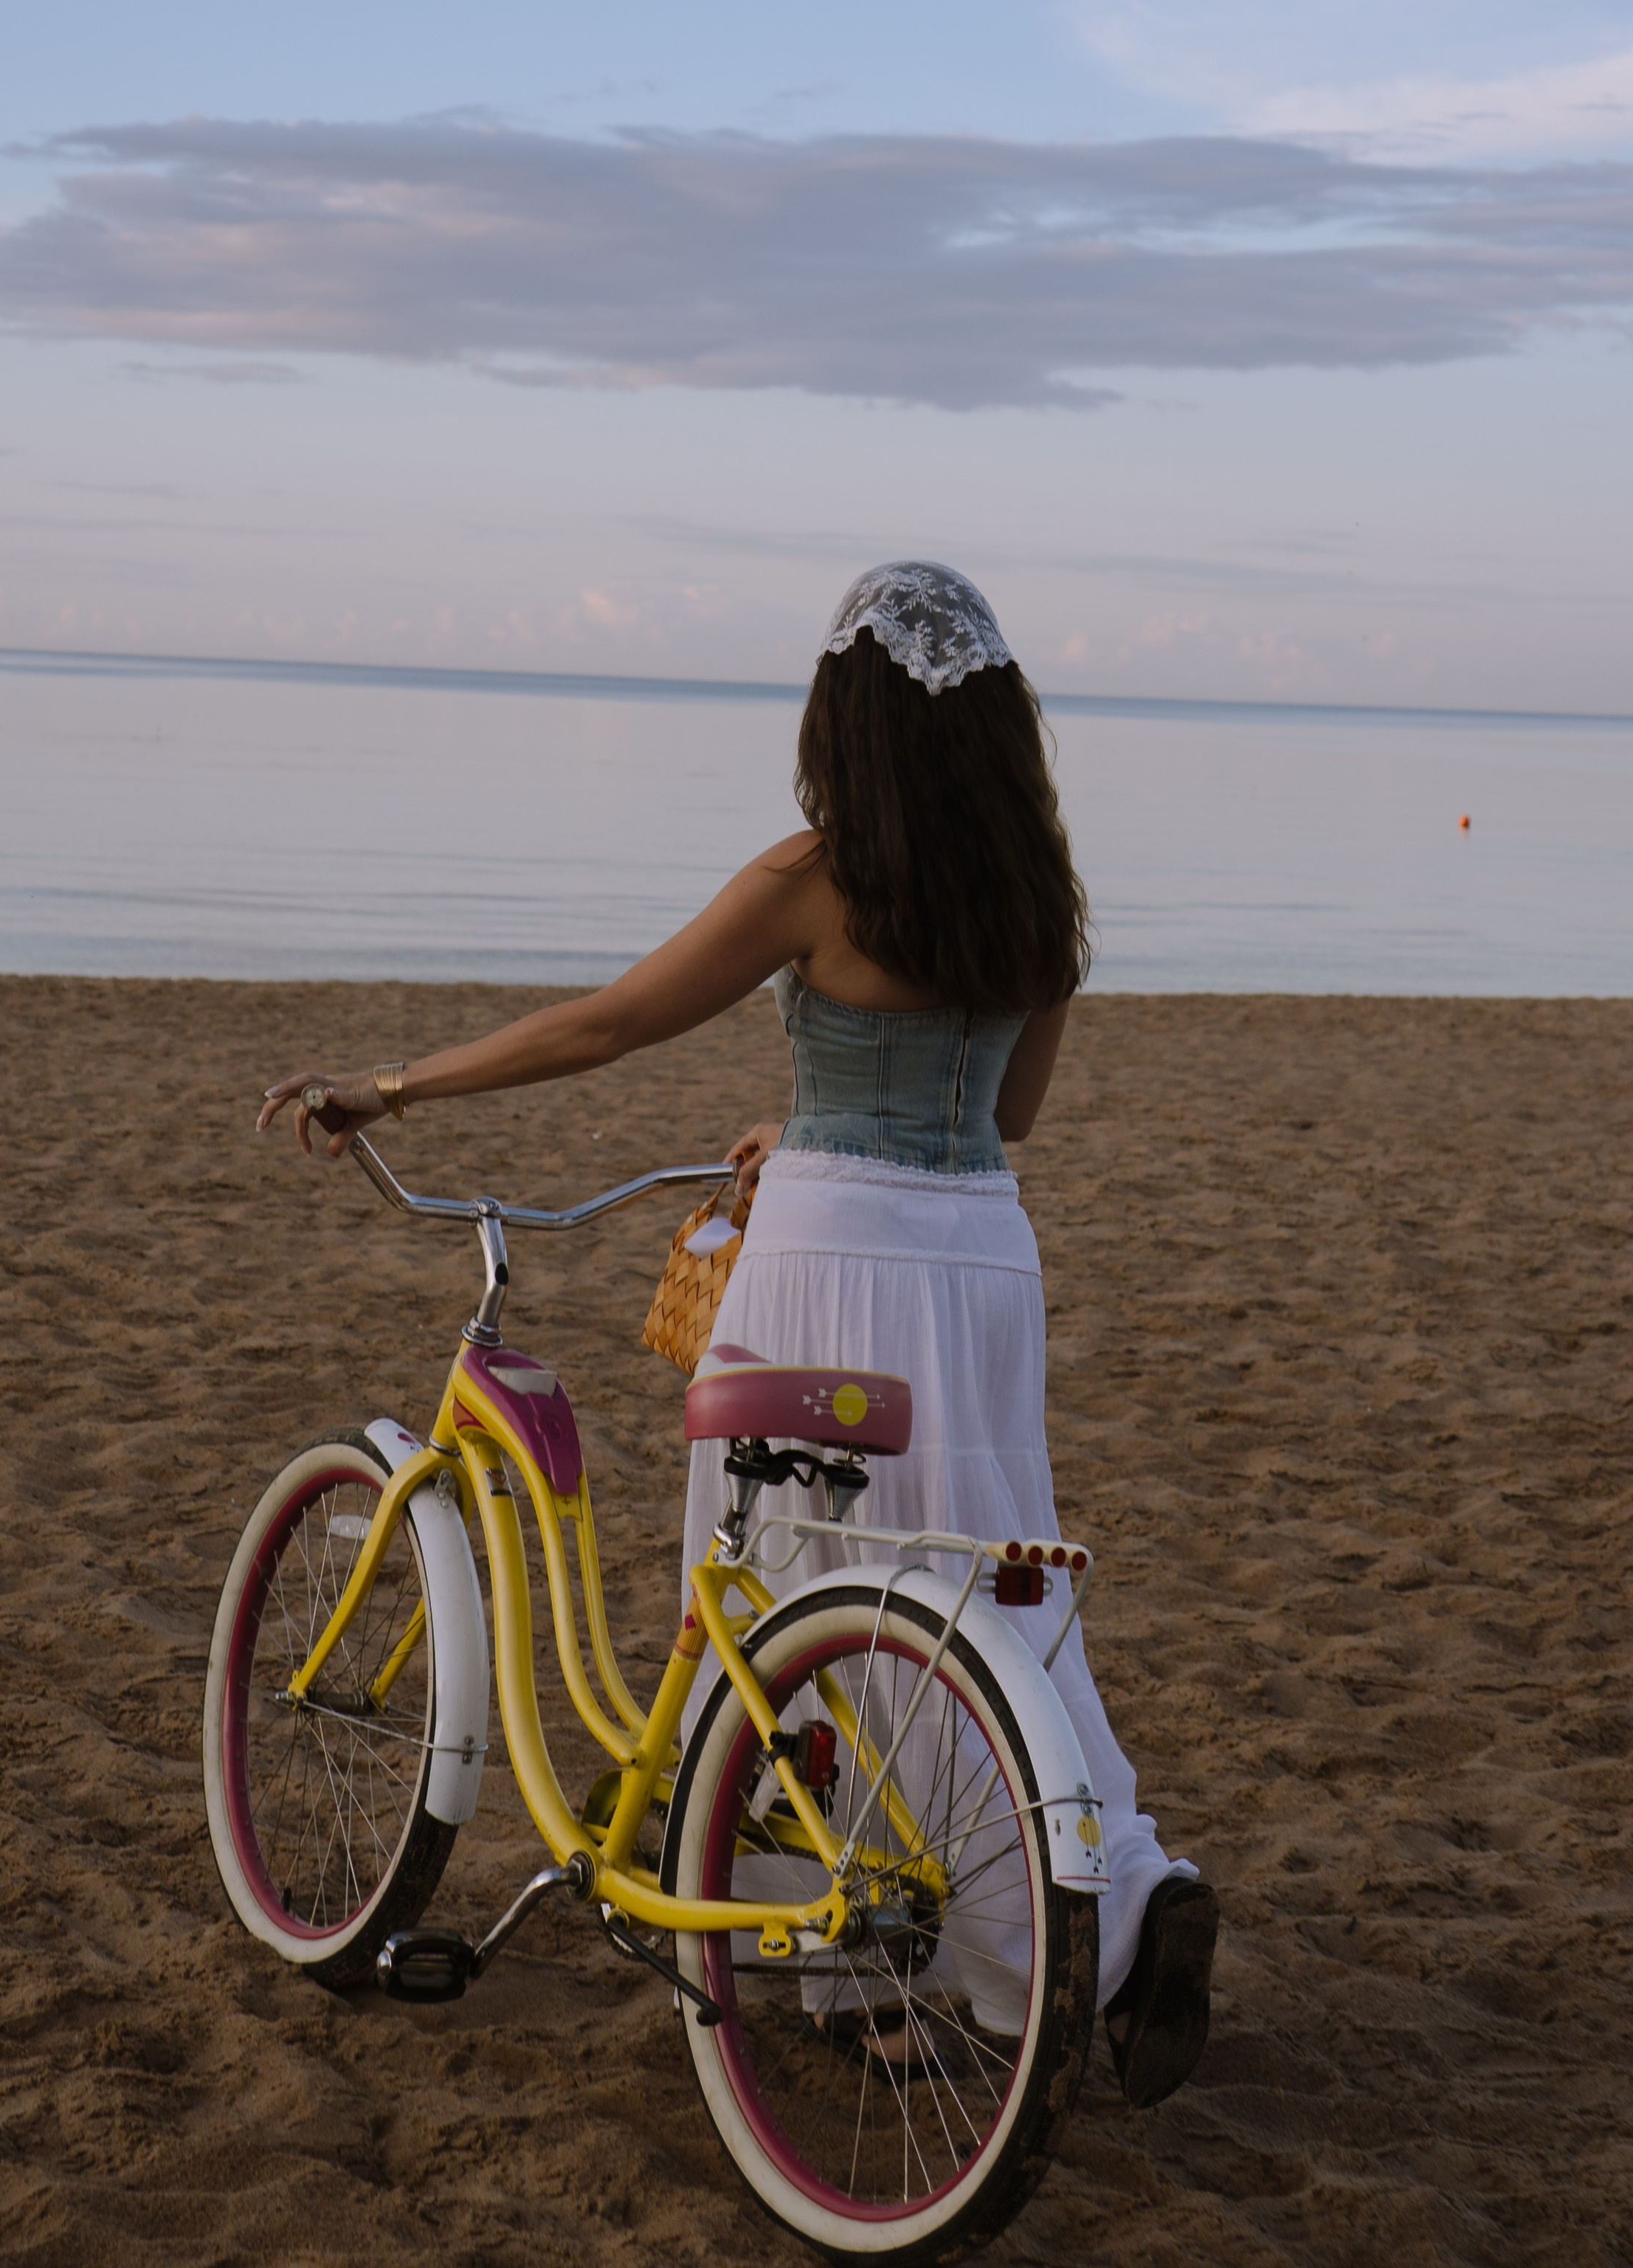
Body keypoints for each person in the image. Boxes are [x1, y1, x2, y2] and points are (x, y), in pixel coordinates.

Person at [257, 560, 1218, 2109]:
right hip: (977, 1265)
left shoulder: (816, 879)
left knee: (786, 1592)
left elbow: (611, 1022)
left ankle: (870, 1973)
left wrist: (398, 1087)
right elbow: (1006, 1114)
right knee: (978, 1587)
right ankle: (1112, 1876)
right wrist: (830, 1115)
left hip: (827, 1258)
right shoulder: (1039, 900)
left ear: (847, 719)